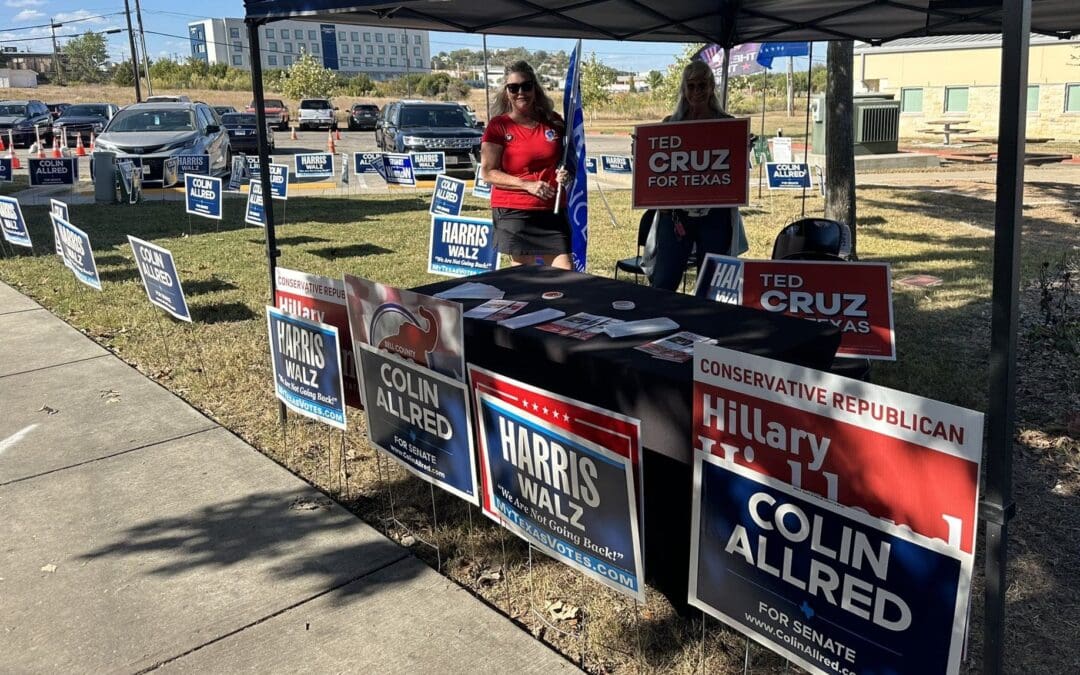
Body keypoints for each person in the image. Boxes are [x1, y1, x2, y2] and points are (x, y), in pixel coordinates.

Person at [646, 59, 749, 290]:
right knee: (664, 281)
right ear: (684, 89)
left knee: (712, 282)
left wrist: (744, 149)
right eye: (691, 86)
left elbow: (735, 174)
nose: (697, 92)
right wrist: (642, 151)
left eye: (702, 85)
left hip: (715, 215)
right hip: (675, 217)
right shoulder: (669, 124)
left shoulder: (728, 125)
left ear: (711, 87)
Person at [480, 61, 572, 270]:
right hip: (515, 211)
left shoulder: (554, 121)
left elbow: (560, 160)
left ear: (535, 88)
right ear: (506, 92)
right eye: (514, 88)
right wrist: (527, 184)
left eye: (526, 86)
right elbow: (488, 173)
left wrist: (562, 174)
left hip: (552, 209)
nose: (521, 92)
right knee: (525, 278)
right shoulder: (499, 126)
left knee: (566, 275)